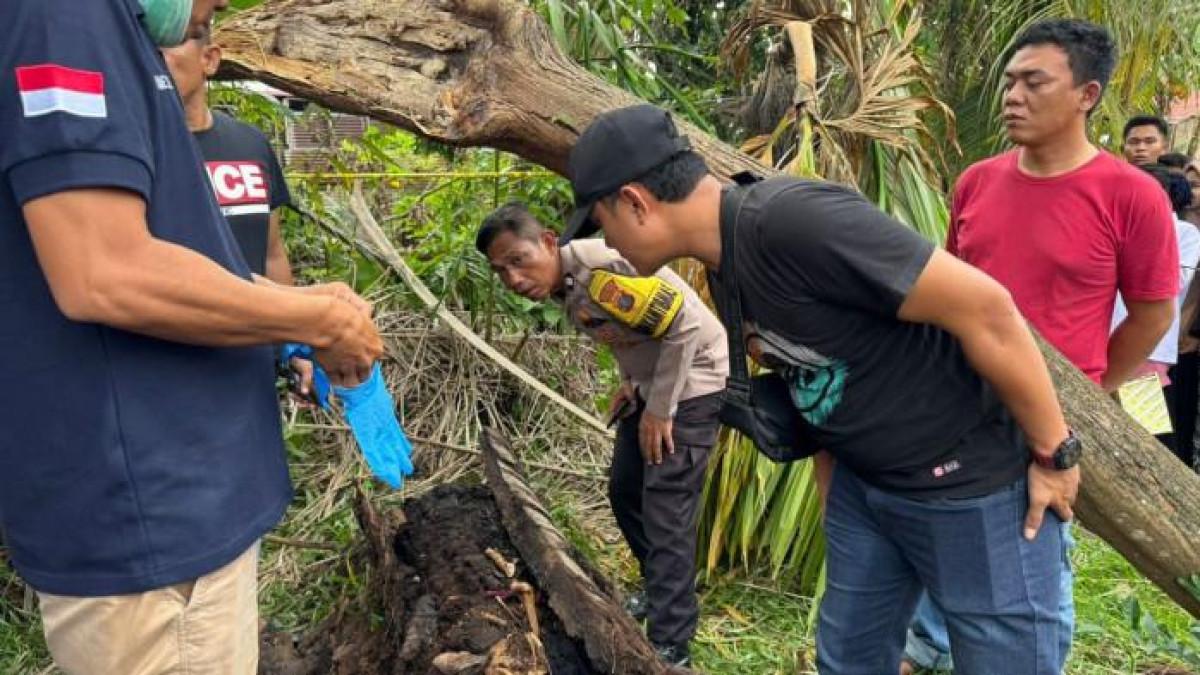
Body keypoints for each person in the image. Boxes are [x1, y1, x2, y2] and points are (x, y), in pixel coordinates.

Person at [560, 103, 1081, 674]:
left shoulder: (793, 221)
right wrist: (838, 498)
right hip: (866, 489)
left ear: (635, 202)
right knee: (847, 662)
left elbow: (987, 309)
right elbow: (813, 375)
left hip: (968, 486)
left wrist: (1056, 454)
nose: (607, 241)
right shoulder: (722, 258)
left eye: (601, 223)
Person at [0, 1, 383, 673]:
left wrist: (303, 304)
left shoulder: (108, 29)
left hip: (179, 511)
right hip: (152, 523)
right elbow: (104, 271)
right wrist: (315, 322)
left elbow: (166, 252)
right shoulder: (64, 15)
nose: (221, 5)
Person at [906, 20, 1180, 673]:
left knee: (1033, 547)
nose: (1012, 96)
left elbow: (1152, 313)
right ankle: (927, 644)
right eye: (1010, 82)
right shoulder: (976, 181)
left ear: (1087, 95)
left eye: (1034, 82)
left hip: (1049, 418)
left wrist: (1089, 389)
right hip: (955, 400)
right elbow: (953, 288)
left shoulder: (1131, 194)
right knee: (944, 529)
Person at [477, 203, 728, 667]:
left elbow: (687, 326)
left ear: (548, 241)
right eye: (500, 271)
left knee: (666, 507)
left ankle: (672, 644)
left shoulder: (600, 272)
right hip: (652, 384)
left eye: (518, 260)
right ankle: (660, 589)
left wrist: (660, 409)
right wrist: (631, 382)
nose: (512, 278)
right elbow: (630, 330)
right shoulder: (565, 283)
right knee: (625, 490)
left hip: (692, 381)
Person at [162, 22, 294, 284]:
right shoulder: (132, 151)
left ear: (209, 59)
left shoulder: (251, 144)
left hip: (254, 308)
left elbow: (273, 254)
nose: (157, 59)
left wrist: (293, 308)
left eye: (171, 43)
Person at [1109, 165, 1199, 461]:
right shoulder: (1117, 226)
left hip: (1146, 348)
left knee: (1149, 439)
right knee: (1109, 425)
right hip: (1105, 339)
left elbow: (1174, 281)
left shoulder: (1184, 233)